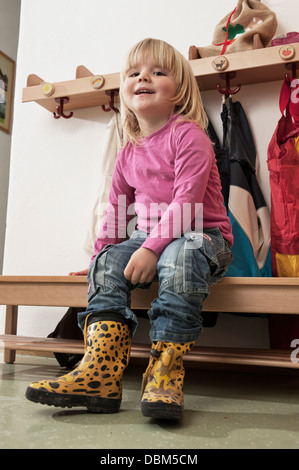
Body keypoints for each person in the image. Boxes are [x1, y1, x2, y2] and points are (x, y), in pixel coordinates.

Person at [25, 38, 233, 420]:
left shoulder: (189, 135)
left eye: (158, 72)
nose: (144, 78)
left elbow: (186, 205)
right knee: (107, 261)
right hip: (149, 240)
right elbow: (118, 211)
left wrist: (151, 249)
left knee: (181, 253)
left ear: (180, 89)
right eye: (135, 73)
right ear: (124, 89)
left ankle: (165, 372)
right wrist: (99, 258)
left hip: (204, 237)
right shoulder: (128, 150)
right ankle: (100, 374)